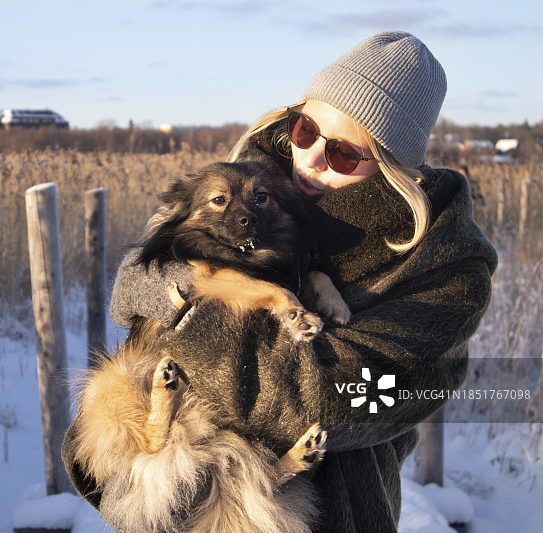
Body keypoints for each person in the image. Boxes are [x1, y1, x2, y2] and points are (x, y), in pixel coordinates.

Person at [63, 31, 498, 532]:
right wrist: (161, 280)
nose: (310, 157)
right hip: (170, 498)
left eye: (342, 154)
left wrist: (188, 310)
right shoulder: (238, 186)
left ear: (394, 169)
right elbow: (136, 325)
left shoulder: (445, 270)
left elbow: (332, 399)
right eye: (306, 128)